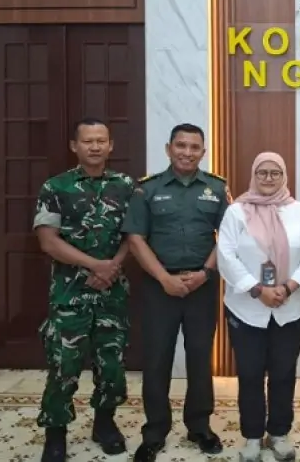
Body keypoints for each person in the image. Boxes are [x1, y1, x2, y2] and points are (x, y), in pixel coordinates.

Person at [122, 123, 230, 462]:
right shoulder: (147, 189)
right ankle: (154, 432)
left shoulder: (216, 188)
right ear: (169, 149)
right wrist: (164, 279)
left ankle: (199, 426)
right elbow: (135, 238)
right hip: (159, 287)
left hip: (202, 286)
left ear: (203, 152)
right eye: (181, 146)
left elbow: (229, 236)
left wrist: (205, 273)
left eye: (194, 147)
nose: (187, 152)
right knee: (156, 360)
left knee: (200, 357)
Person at [33, 118, 134, 462]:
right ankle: (55, 434)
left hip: (112, 293)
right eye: (88, 141)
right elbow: (48, 241)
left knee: (112, 365)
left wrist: (112, 267)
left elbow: (134, 236)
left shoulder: (125, 186)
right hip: (69, 294)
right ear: (74, 146)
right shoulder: (55, 187)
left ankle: (104, 424)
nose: (95, 146)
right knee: (64, 366)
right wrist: (95, 266)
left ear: (111, 145)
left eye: (101, 140)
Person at [217, 152, 300, 462]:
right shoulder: (236, 212)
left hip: (289, 308)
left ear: (284, 176)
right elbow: (226, 254)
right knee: (249, 374)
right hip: (247, 309)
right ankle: (252, 436)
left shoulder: (298, 211)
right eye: (262, 172)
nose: (268, 178)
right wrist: (258, 289)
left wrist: (289, 286)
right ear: (253, 175)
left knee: (283, 373)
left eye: (275, 173)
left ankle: (278, 433)